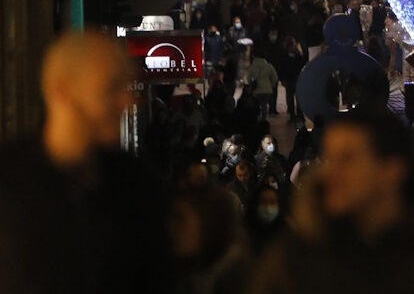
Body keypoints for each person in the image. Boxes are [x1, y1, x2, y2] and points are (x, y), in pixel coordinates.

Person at [0, 32, 173, 293]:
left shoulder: (140, 187)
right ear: (61, 89)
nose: (127, 102)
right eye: (111, 88)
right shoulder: (9, 183)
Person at [249, 109, 414, 293]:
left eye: (348, 159)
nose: (331, 173)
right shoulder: (293, 264)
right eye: (331, 159)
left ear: (392, 169)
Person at [172, 182, 249, 294]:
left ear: (207, 221)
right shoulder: (192, 269)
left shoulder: (232, 277)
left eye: (182, 220)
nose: (173, 228)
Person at [247, 44, 279, 119]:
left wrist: (251, 84)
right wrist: (271, 85)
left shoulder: (253, 66)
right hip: (267, 89)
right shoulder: (269, 66)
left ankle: (256, 119)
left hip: (256, 89)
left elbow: (248, 78)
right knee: (264, 106)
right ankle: (263, 120)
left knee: (256, 105)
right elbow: (275, 77)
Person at [279, 36, 307, 120]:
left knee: (299, 98)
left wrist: (300, 53)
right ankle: (292, 115)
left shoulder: (298, 56)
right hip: (289, 80)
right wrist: (282, 79)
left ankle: (299, 114)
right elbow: (282, 68)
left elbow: (304, 63)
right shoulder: (284, 56)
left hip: (298, 79)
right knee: (290, 99)